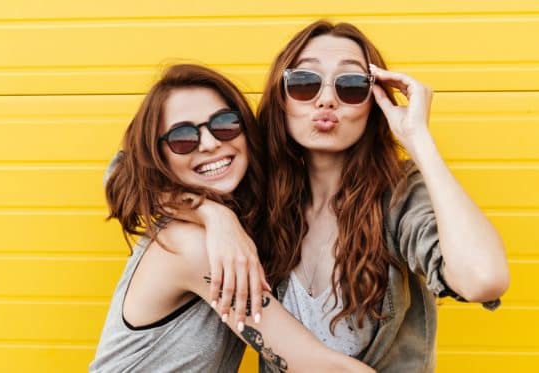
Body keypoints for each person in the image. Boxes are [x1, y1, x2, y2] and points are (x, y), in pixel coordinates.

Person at [195, 20, 511, 371]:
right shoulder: (260, 191)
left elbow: (484, 278)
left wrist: (419, 140)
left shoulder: (397, 197)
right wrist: (215, 216)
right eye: (305, 83)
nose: (327, 99)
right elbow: (129, 175)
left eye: (351, 85)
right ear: (281, 98)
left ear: (373, 102)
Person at [89, 64, 372, 372]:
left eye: (224, 124)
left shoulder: (229, 221)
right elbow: (318, 367)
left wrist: (216, 216)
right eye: (182, 137)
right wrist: (214, 215)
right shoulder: (191, 246)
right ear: (160, 157)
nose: (210, 143)